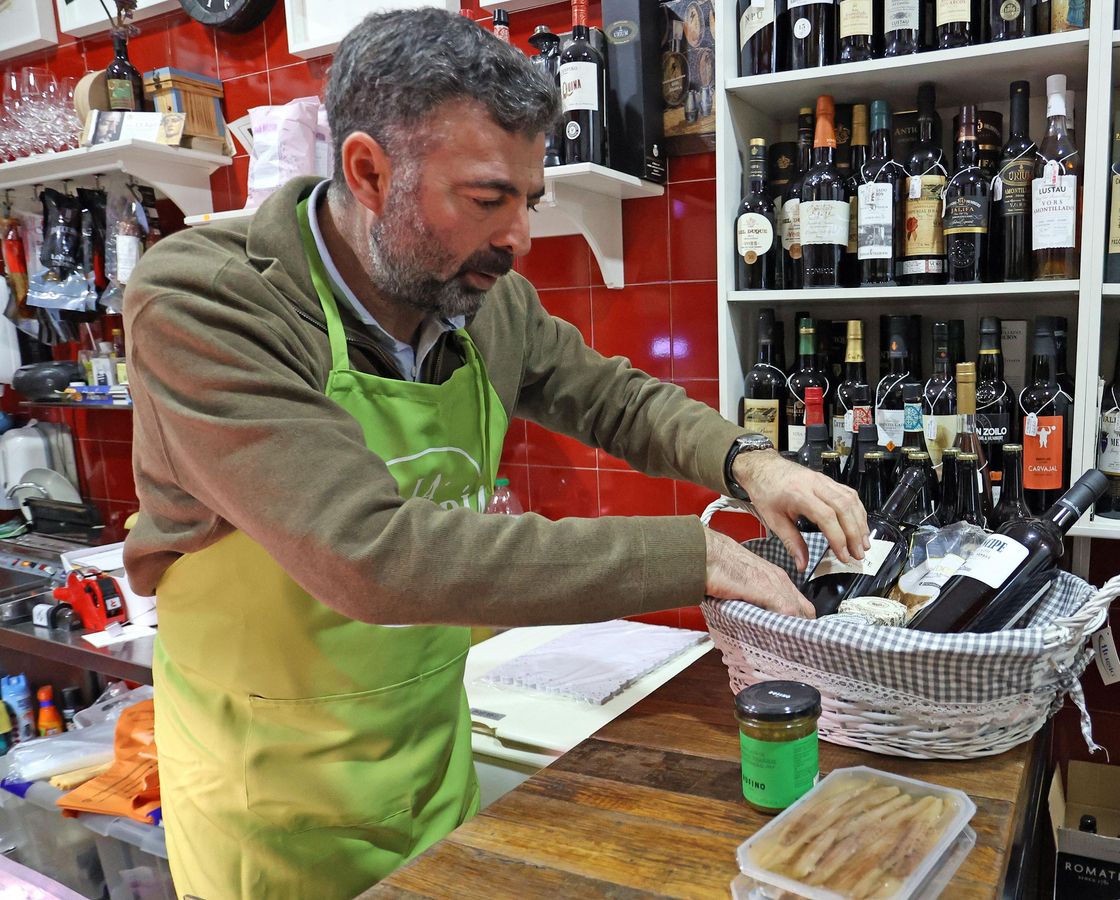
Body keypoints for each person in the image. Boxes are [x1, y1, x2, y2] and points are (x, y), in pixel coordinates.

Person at [122, 9, 867, 898]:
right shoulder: (207, 302)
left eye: (531, 201)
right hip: (274, 808)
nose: (519, 239)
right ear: (368, 171)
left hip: (431, 763)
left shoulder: (474, 297)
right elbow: (370, 554)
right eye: (487, 200)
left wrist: (748, 461)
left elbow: (612, 396)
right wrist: (695, 554)